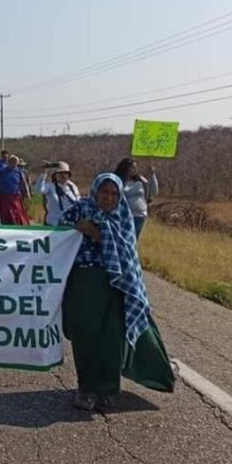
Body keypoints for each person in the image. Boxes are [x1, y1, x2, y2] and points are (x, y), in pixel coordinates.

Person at [59, 173, 175, 411]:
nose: (108, 198)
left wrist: (96, 233)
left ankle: (109, 388)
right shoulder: (80, 209)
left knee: (112, 339)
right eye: (104, 192)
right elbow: (57, 232)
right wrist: (77, 227)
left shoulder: (124, 215)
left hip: (117, 284)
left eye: (114, 194)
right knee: (85, 337)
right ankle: (87, 389)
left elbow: (125, 249)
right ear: (95, 191)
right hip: (84, 280)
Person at [114, 158, 159, 238]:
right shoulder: (118, 181)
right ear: (125, 168)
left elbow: (153, 191)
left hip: (140, 215)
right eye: (132, 167)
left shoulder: (140, 181)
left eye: (136, 168)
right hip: (125, 215)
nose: (135, 170)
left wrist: (152, 174)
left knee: (134, 239)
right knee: (124, 238)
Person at [38, 162, 80, 227]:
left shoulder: (73, 186)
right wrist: (44, 173)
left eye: (65, 173)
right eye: (60, 173)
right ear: (55, 175)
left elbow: (78, 201)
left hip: (71, 224)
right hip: (54, 223)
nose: (63, 175)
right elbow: (39, 190)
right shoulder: (50, 187)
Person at [0, 155, 30, 225]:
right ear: (9, 162)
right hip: (4, 196)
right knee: (6, 215)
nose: (14, 165)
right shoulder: (1, 172)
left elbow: (24, 183)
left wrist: (27, 193)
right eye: (12, 162)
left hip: (15, 197)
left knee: (17, 214)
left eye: (16, 163)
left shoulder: (19, 172)